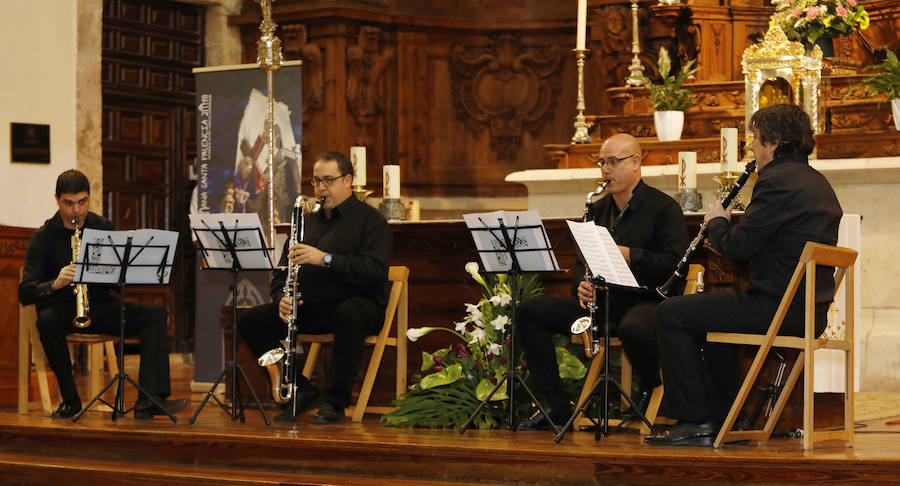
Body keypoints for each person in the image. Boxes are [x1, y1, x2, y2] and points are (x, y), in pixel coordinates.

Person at [646, 104, 843, 447]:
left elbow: (740, 248)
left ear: (775, 141)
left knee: (671, 313)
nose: (751, 146)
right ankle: (728, 420)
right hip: (809, 312)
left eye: (755, 138)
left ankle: (694, 420)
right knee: (713, 321)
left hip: (776, 308)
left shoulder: (776, 182)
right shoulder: (818, 183)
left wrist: (717, 222)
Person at [517, 133, 689, 429]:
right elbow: (582, 264)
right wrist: (580, 287)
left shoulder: (664, 209)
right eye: (601, 163)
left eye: (613, 162)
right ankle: (556, 406)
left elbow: (676, 266)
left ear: (636, 162)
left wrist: (630, 255)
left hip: (645, 301)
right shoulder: (597, 210)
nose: (605, 169)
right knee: (528, 312)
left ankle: (650, 388)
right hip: (604, 303)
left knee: (633, 328)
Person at [238, 151, 392, 425]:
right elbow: (282, 272)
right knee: (250, 320)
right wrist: (281, 297)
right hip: (315, 308)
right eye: (316, 181)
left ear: (347, 180)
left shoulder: (371, 220)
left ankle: (336, 402)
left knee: (349, 312)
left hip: (361, 305)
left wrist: (325, 259)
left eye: (328, 181)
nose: (321, 188)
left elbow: (374, 270)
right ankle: (301, 389)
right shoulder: (305, 223)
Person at [18, 169, 187, 420]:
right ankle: (71, 400)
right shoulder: (43, 237)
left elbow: (118, 281)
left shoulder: (102, 227)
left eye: (82, 202)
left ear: (89, 198)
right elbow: (25, 292)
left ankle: (149, 400)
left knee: (155, 313)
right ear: (57, 199)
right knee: (47, 320)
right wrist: (56, 283)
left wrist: (120, 273)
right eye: (69, 203)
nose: (76, 210)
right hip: (62, 308)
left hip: (100, 306)